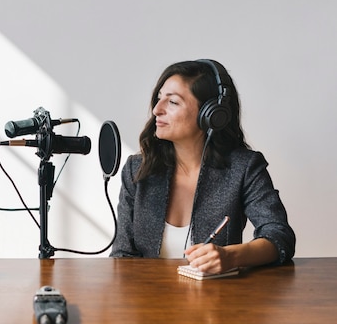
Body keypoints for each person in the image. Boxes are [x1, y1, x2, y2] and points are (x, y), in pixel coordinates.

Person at [109, 59, 295, 274]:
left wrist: (231, 256)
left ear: (211, 115)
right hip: (147, 301)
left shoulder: (244, 167)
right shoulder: (137, 169)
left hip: (217, 301)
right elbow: (122, 255)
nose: (157, 110)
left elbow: (279, 236)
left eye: (173, 102)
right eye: (159, 99)